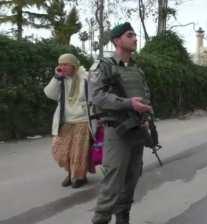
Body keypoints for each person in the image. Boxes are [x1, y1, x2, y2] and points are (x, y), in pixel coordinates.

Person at [88, 22, 152, 224]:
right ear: (117, 40)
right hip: (117, 131)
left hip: (137, 129)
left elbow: (146, 95)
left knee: (132, 178)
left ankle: (123, 218)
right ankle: (100, 220)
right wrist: (128, 103)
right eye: (129, 35)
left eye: (134, 35)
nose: (135, 38)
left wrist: (147, 116)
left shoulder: (137, 70)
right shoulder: (103, 66)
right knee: (113, 182)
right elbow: (96, 97)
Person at [44, 53, 90, 188]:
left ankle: (78, 177)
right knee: (61, 149)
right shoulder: (60, 79)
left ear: (73, 65)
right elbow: (50, 94)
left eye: (65, 64)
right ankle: (70, 172)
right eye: (60, 64)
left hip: (82, 120)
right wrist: (56, 78)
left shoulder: (85, 77)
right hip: (65, 121)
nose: (61, 67)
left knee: (78, 151)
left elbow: (94, 95)